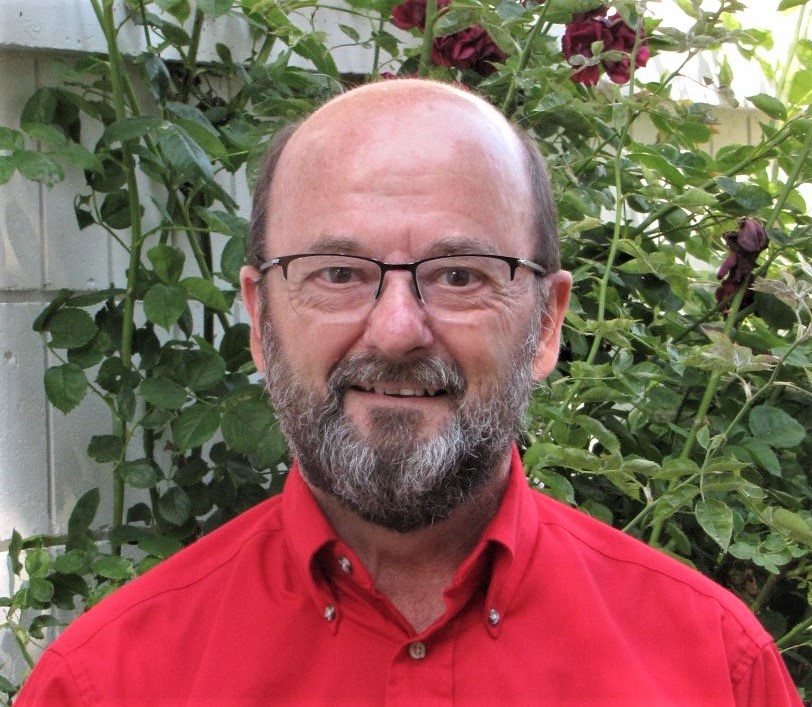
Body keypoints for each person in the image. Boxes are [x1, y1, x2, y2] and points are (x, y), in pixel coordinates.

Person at [15, 79, 801, 706]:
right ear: (260, 318)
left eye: (460, 275)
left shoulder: (715, 670)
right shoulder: (107, 684)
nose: (396, 330)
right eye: (337, 272)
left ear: (547, 323)